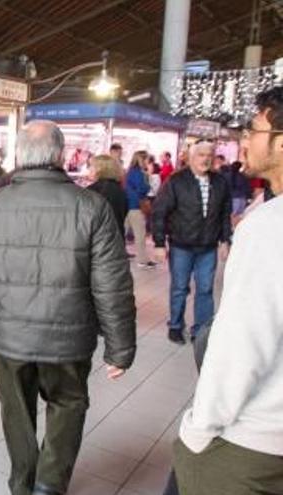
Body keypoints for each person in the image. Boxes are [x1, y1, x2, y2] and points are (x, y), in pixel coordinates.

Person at [0, 120, 136, 495]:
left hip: (9, 338)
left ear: (20, 156)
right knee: (68, 404)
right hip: (69, 338)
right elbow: (112, 285)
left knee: (16, 411)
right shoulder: (93, 207)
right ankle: (49, 485)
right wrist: (120, 348)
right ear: (59, 156)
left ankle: (22, 483)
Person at [172, 86, 283, 495]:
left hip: (253, 440)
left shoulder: (270, 226)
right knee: (184, 291)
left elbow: (243, 343)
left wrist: (200, 430)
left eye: (253, 129)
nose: (243, 139)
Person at [152, 141, 232, 345]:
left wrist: (225, 240)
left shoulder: (220, 182)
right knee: (179, 288)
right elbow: (159, 212)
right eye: (200, 155)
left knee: (205, 289)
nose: (205, 159)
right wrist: (160, 243)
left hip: (208, 247)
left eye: (209, 155)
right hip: (181, 246)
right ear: (190, 157)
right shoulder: (176, 181)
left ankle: (201, 330)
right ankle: (176, 326)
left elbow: (224, 213)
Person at [124, 150, 156, 268]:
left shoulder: (130, 171)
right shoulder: (139, 173)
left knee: (122, 232)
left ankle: (120, 255)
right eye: (147, 159)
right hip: (136, 206)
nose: (148, 161)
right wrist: (148, 181)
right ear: (142, 159)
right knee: (140, 234)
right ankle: (142, 259)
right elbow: (142, 189)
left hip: (127, 205)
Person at [87, 154, 127, 237]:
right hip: (117, 236)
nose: (89, 169)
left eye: (92, 166)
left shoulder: (95, 190)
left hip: (100, 237)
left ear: (101, 169)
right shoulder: (118, 188)